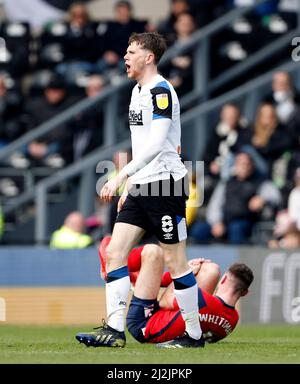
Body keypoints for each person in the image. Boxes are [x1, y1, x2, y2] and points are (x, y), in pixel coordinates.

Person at [76, 32, 203, 348]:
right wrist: (131, 185)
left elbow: (159, 144)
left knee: (175, 262)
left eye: (131, 52)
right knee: (116, 252)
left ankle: (194, 335)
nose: (125, 57)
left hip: (165, 185)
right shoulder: (137, 91)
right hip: (142, 185)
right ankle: (114, 331)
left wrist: (120, 176)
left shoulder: (161, 91)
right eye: (126, 51)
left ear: (149, 57)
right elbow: (142, 144)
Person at [76, 236, 254, 347]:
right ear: (244, 293)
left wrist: (185, 275)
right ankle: (130, 277)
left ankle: (113, 268)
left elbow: (165, 301)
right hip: (175, 321)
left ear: (223, 280)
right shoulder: (233, 319)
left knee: (152, 251)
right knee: (210, 269)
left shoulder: (203, 299)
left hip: (145, 324)